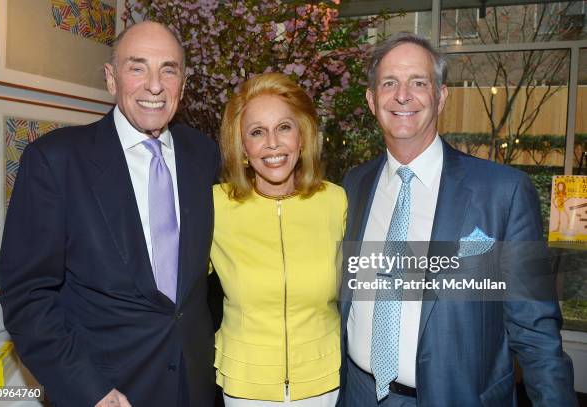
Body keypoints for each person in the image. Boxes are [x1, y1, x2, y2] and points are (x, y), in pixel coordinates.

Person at [337, 33, 577, 406]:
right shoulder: (354, 184)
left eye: (419, 82)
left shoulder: (503, 193)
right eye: (389, 83)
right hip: (359, 394)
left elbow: (535, 329)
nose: (403, 95)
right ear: (372, 100)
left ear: (441, 96)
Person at [0, 21, 218, 407]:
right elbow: (28, 296)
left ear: (182, 84)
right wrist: (88, 390)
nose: (154, 85)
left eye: (169, 69)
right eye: (137, 67)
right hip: (109, 391)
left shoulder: (204, 155)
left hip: (196, 386)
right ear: (111, 79)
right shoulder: (55, 161)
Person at [211, 72, 346, 406]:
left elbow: (378, 281)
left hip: (324, 383)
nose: (273, 143)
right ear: (243, 147)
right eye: (257, 132)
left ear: (302, 137)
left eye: (284, 127)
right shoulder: (215, 205)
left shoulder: (335, 201)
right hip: (245, 385)